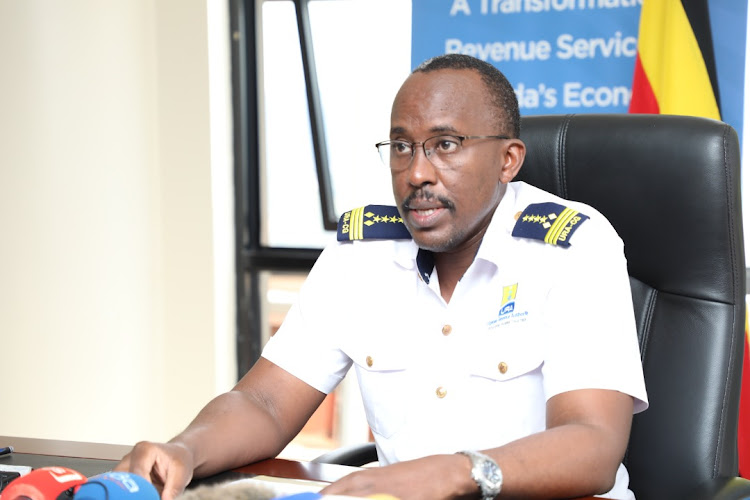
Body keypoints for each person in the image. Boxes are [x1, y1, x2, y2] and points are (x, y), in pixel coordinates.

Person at [115, 54, 648, 500]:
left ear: (508, 161)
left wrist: (452, 472)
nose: (416, 173)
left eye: (445, 145)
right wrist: (184, 450)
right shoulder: (362, 255)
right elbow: (266, 403)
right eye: (401, 147)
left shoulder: (572, 246)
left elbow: (593, 441)